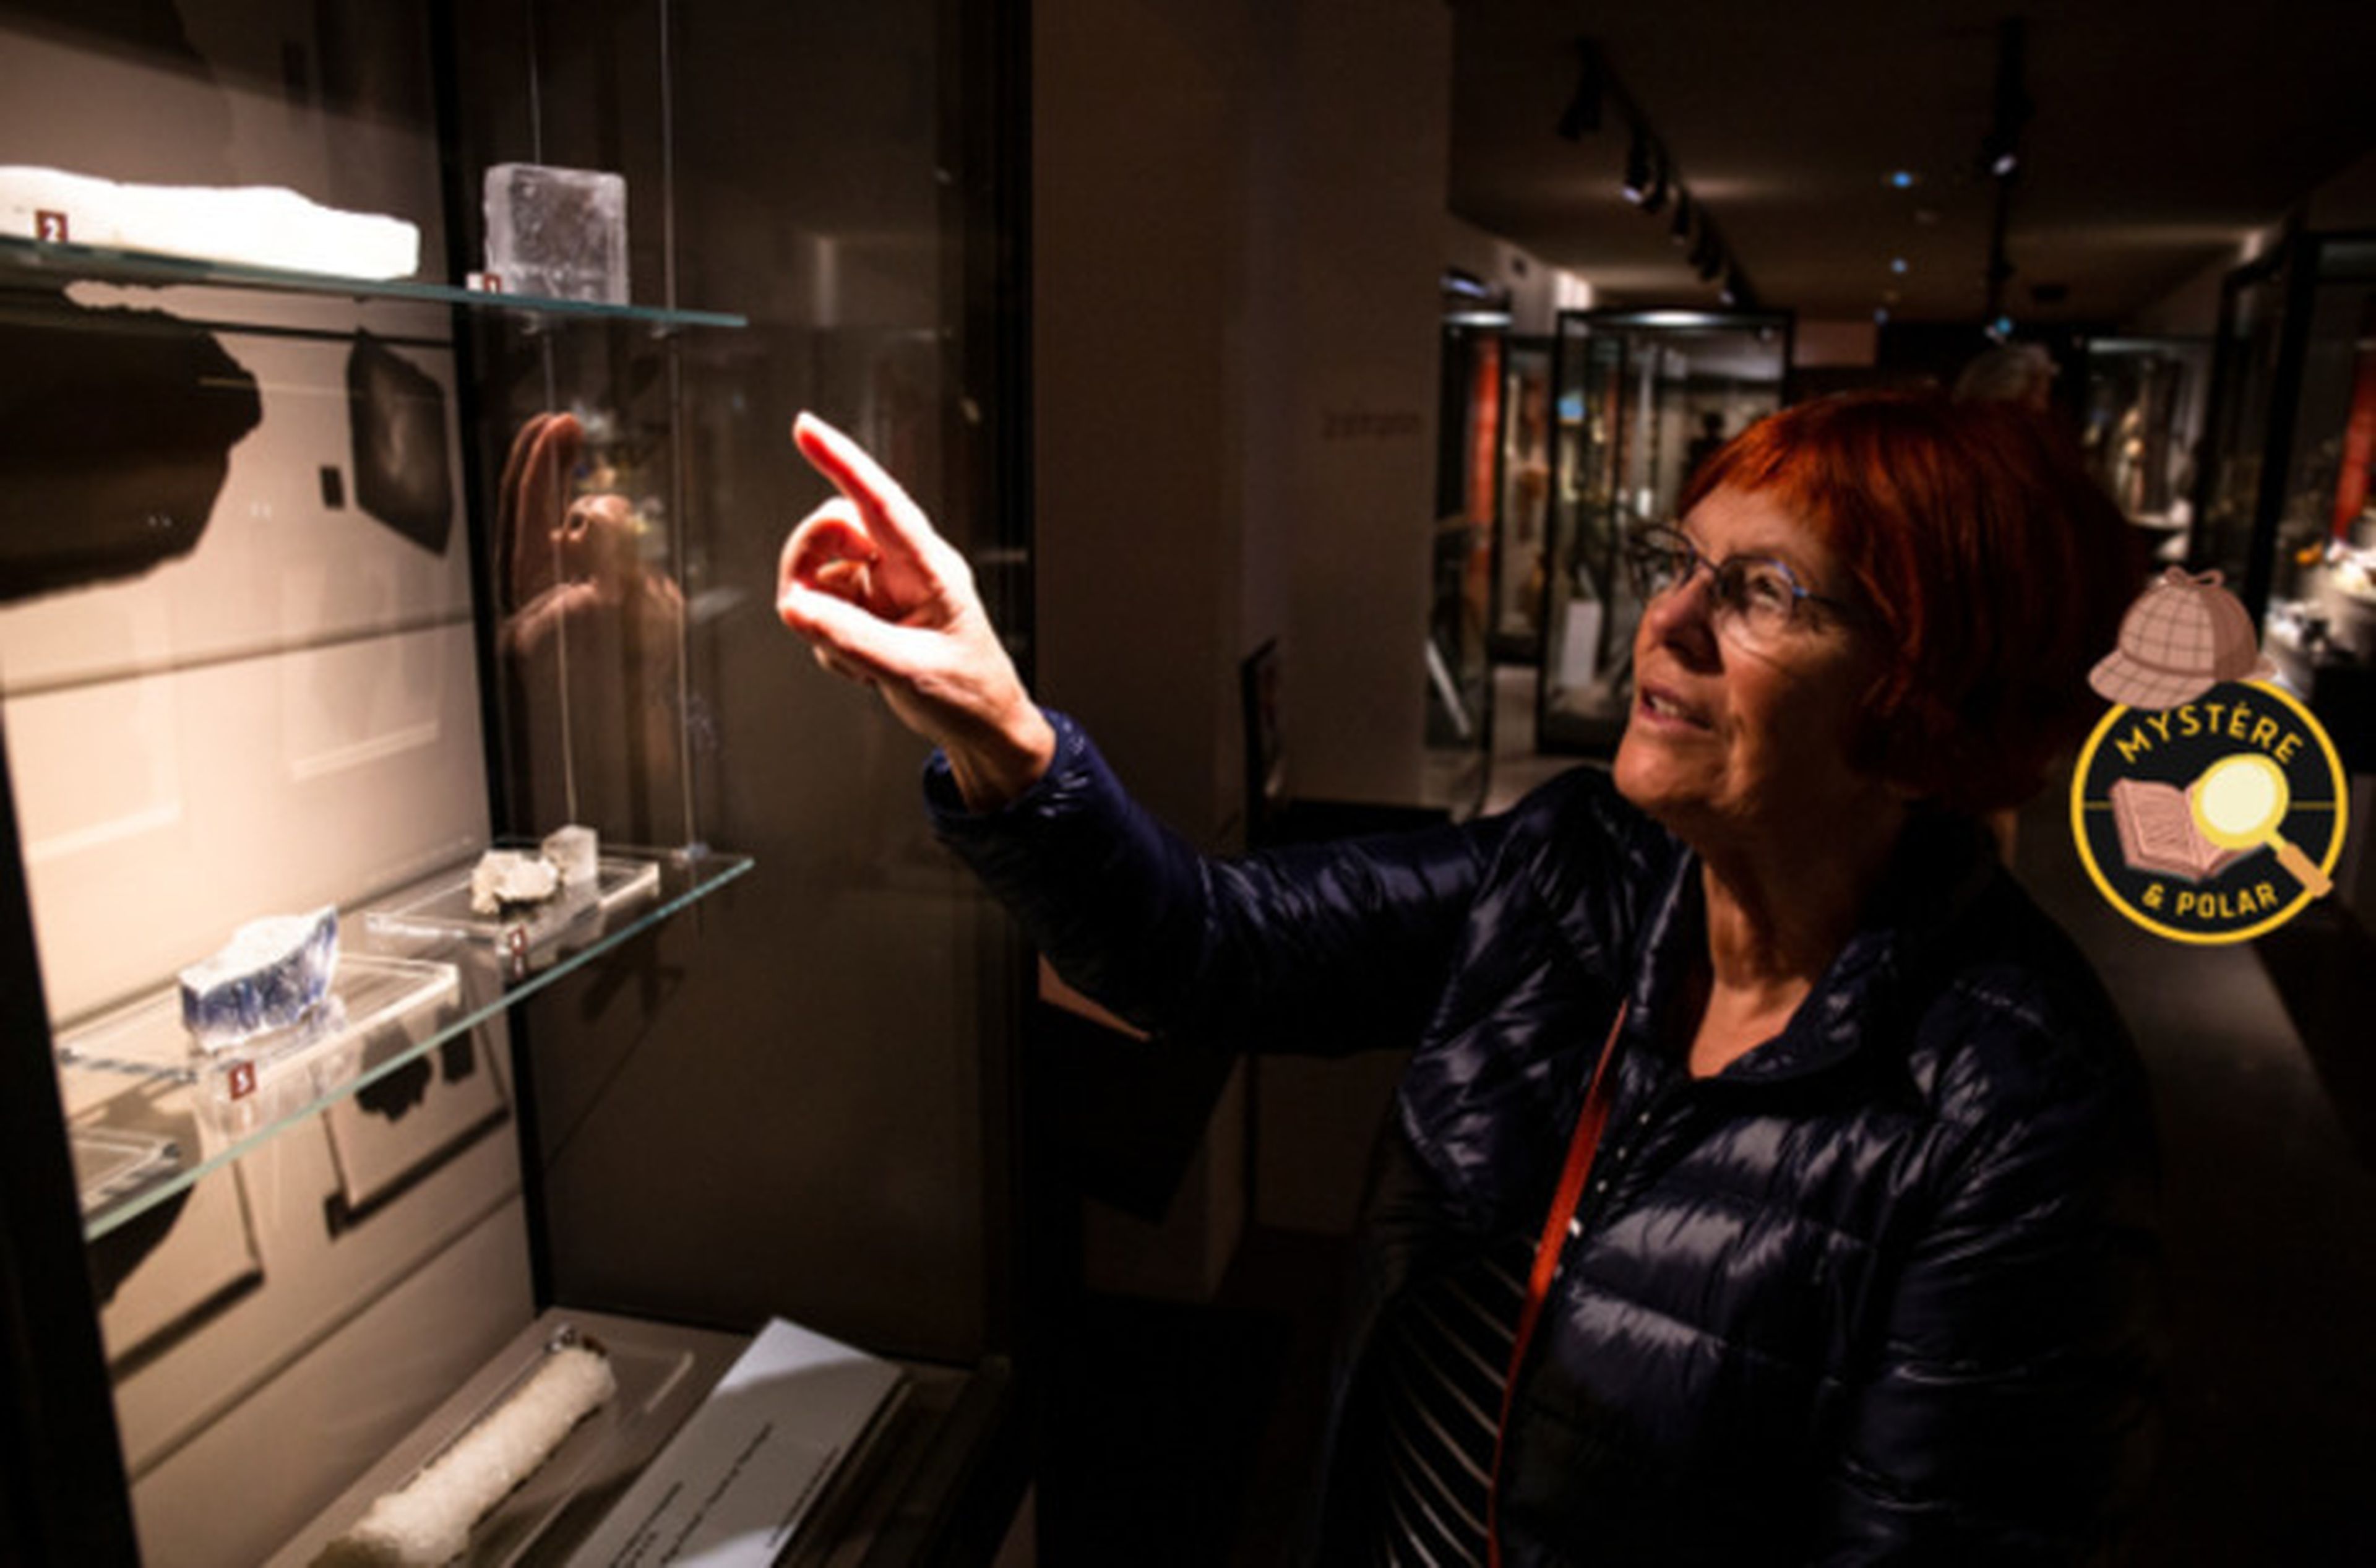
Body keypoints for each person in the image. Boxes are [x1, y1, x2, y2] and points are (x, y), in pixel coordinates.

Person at [776, 390, 2162, 1566]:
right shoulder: (1582, 866)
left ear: (1930, 699)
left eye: (1760, 592)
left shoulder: (2017, 1116)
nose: (1668, 621)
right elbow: (1211, 950)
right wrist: (1006, 736)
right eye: (1683, 562)